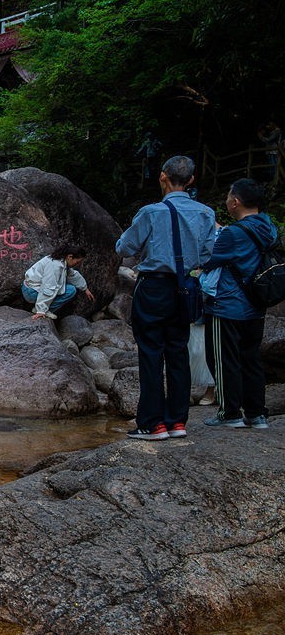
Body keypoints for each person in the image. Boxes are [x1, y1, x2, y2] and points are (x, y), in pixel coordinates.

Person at [116, 155, 217, 440]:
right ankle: (177, 421)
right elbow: (207, 255)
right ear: (192, 180)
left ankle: (152, 424)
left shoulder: (151, 212)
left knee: (151, 354)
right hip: (186, 287)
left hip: (154, 287)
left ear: (163, 177)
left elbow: (125, 247)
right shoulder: (206, 213)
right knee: (178, 351)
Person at [200, 178, 277, 428]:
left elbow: (207, 259)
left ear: (236, 202)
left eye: (228, 197)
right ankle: (256, 414)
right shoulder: (268, 226)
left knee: (224, 360)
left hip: (228, 304)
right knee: (251, 359)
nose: (226, 201)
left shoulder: (233, 233)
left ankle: (230, 413)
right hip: (257, 304)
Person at [21, 245, 95, 320]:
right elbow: (48, 287)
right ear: (70, 256)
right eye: (78, 261)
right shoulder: (55, 266)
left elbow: (73, 275)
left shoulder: (62, 261)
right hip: (31, 292)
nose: (78, 264)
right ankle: (41, 310)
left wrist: (85, 288)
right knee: (60, 290)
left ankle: (42, 308)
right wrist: (41, 310)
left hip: (34, 289)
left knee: (71, 290)